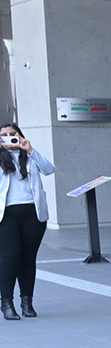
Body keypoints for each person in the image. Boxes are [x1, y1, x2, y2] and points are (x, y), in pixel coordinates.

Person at [0, 123, 55, 320]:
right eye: (4, 135)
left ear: (20, 135)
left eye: (13, 133)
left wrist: (30, 149)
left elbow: (49, 169)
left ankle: (27, 303)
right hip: (6, 216)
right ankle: (6, 303)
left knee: (28, 259)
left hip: (33, 214)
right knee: (9, 258)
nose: (9, 137)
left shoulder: (30, 156)